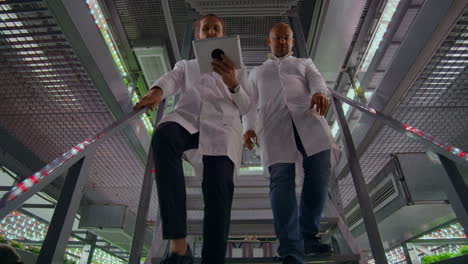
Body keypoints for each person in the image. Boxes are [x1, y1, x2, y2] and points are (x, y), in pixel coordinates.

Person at [133, 14, 250, 264]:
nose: (210, 31)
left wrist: (233, 84)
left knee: (218, 190)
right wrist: (157, 91)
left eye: (215, 28)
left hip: (222, 129)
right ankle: (179, 246)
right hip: (187, 120)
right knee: (164, 135)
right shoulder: (187, 65)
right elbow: (171, 79)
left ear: (222, 35)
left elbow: (247, 105)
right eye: (205, 28)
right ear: (198, 36)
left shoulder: (239, 69)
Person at [243, 23, 339, 264]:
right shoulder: (256, 72)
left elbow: (317, 81)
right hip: (274, 128)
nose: (283, 42)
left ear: (292, 41)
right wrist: (249, 128)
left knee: (318, 173)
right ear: (269, 42)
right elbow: (248, 103)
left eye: (287, 38)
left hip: (308, 120)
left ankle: (307, 235)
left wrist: (320, 93)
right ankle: (290, 250)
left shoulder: (304, 63)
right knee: (281, 183)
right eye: (278, 38)